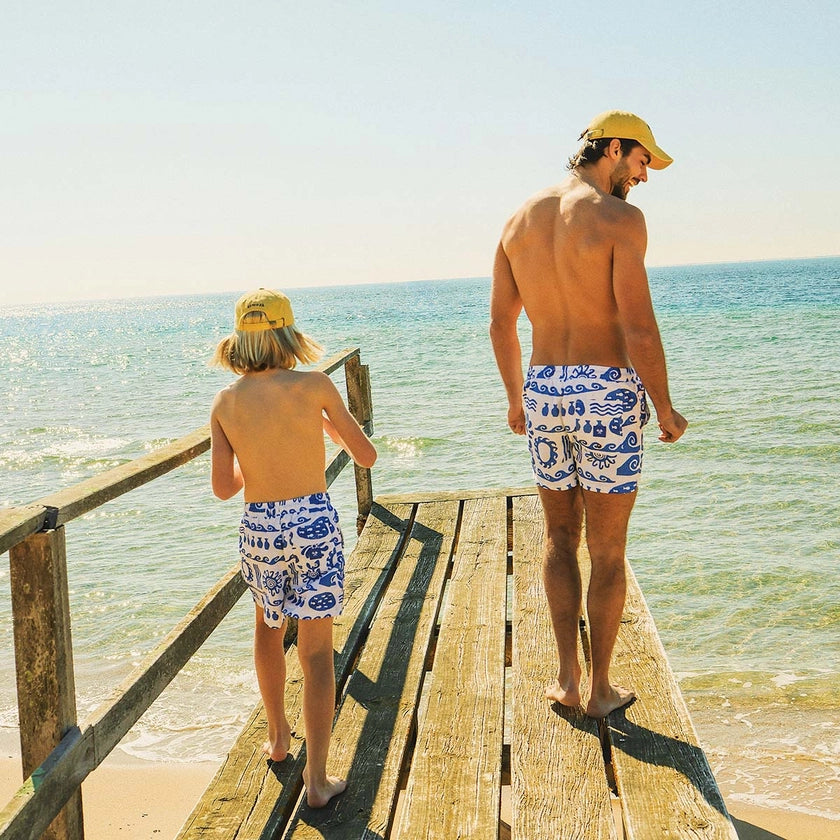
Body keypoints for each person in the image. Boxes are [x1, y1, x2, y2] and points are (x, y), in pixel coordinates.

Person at [490, 110, 688, 718]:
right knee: (607, 550)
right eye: (641, 161)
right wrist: (665, 405)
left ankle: (567, 680)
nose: (645, 176)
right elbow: (637, 325)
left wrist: (516, 397)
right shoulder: (619, 219)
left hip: (546, 387)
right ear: (612, 149)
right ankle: (600, 690)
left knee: (556, 538)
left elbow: (501, 322)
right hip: (604, 391)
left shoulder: (519, 219)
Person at [210, 288, 377, 807]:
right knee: (317, 651)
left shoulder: (226, 402)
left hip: (259, 526)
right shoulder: (315, 385)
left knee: (268, 625)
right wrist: (324, 421)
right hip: (313, 526)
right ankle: (319, 779)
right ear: (289, 334)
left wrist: (252, 460)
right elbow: (365, 455)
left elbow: (223, 487)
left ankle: (279, 738)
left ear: (240, 339)